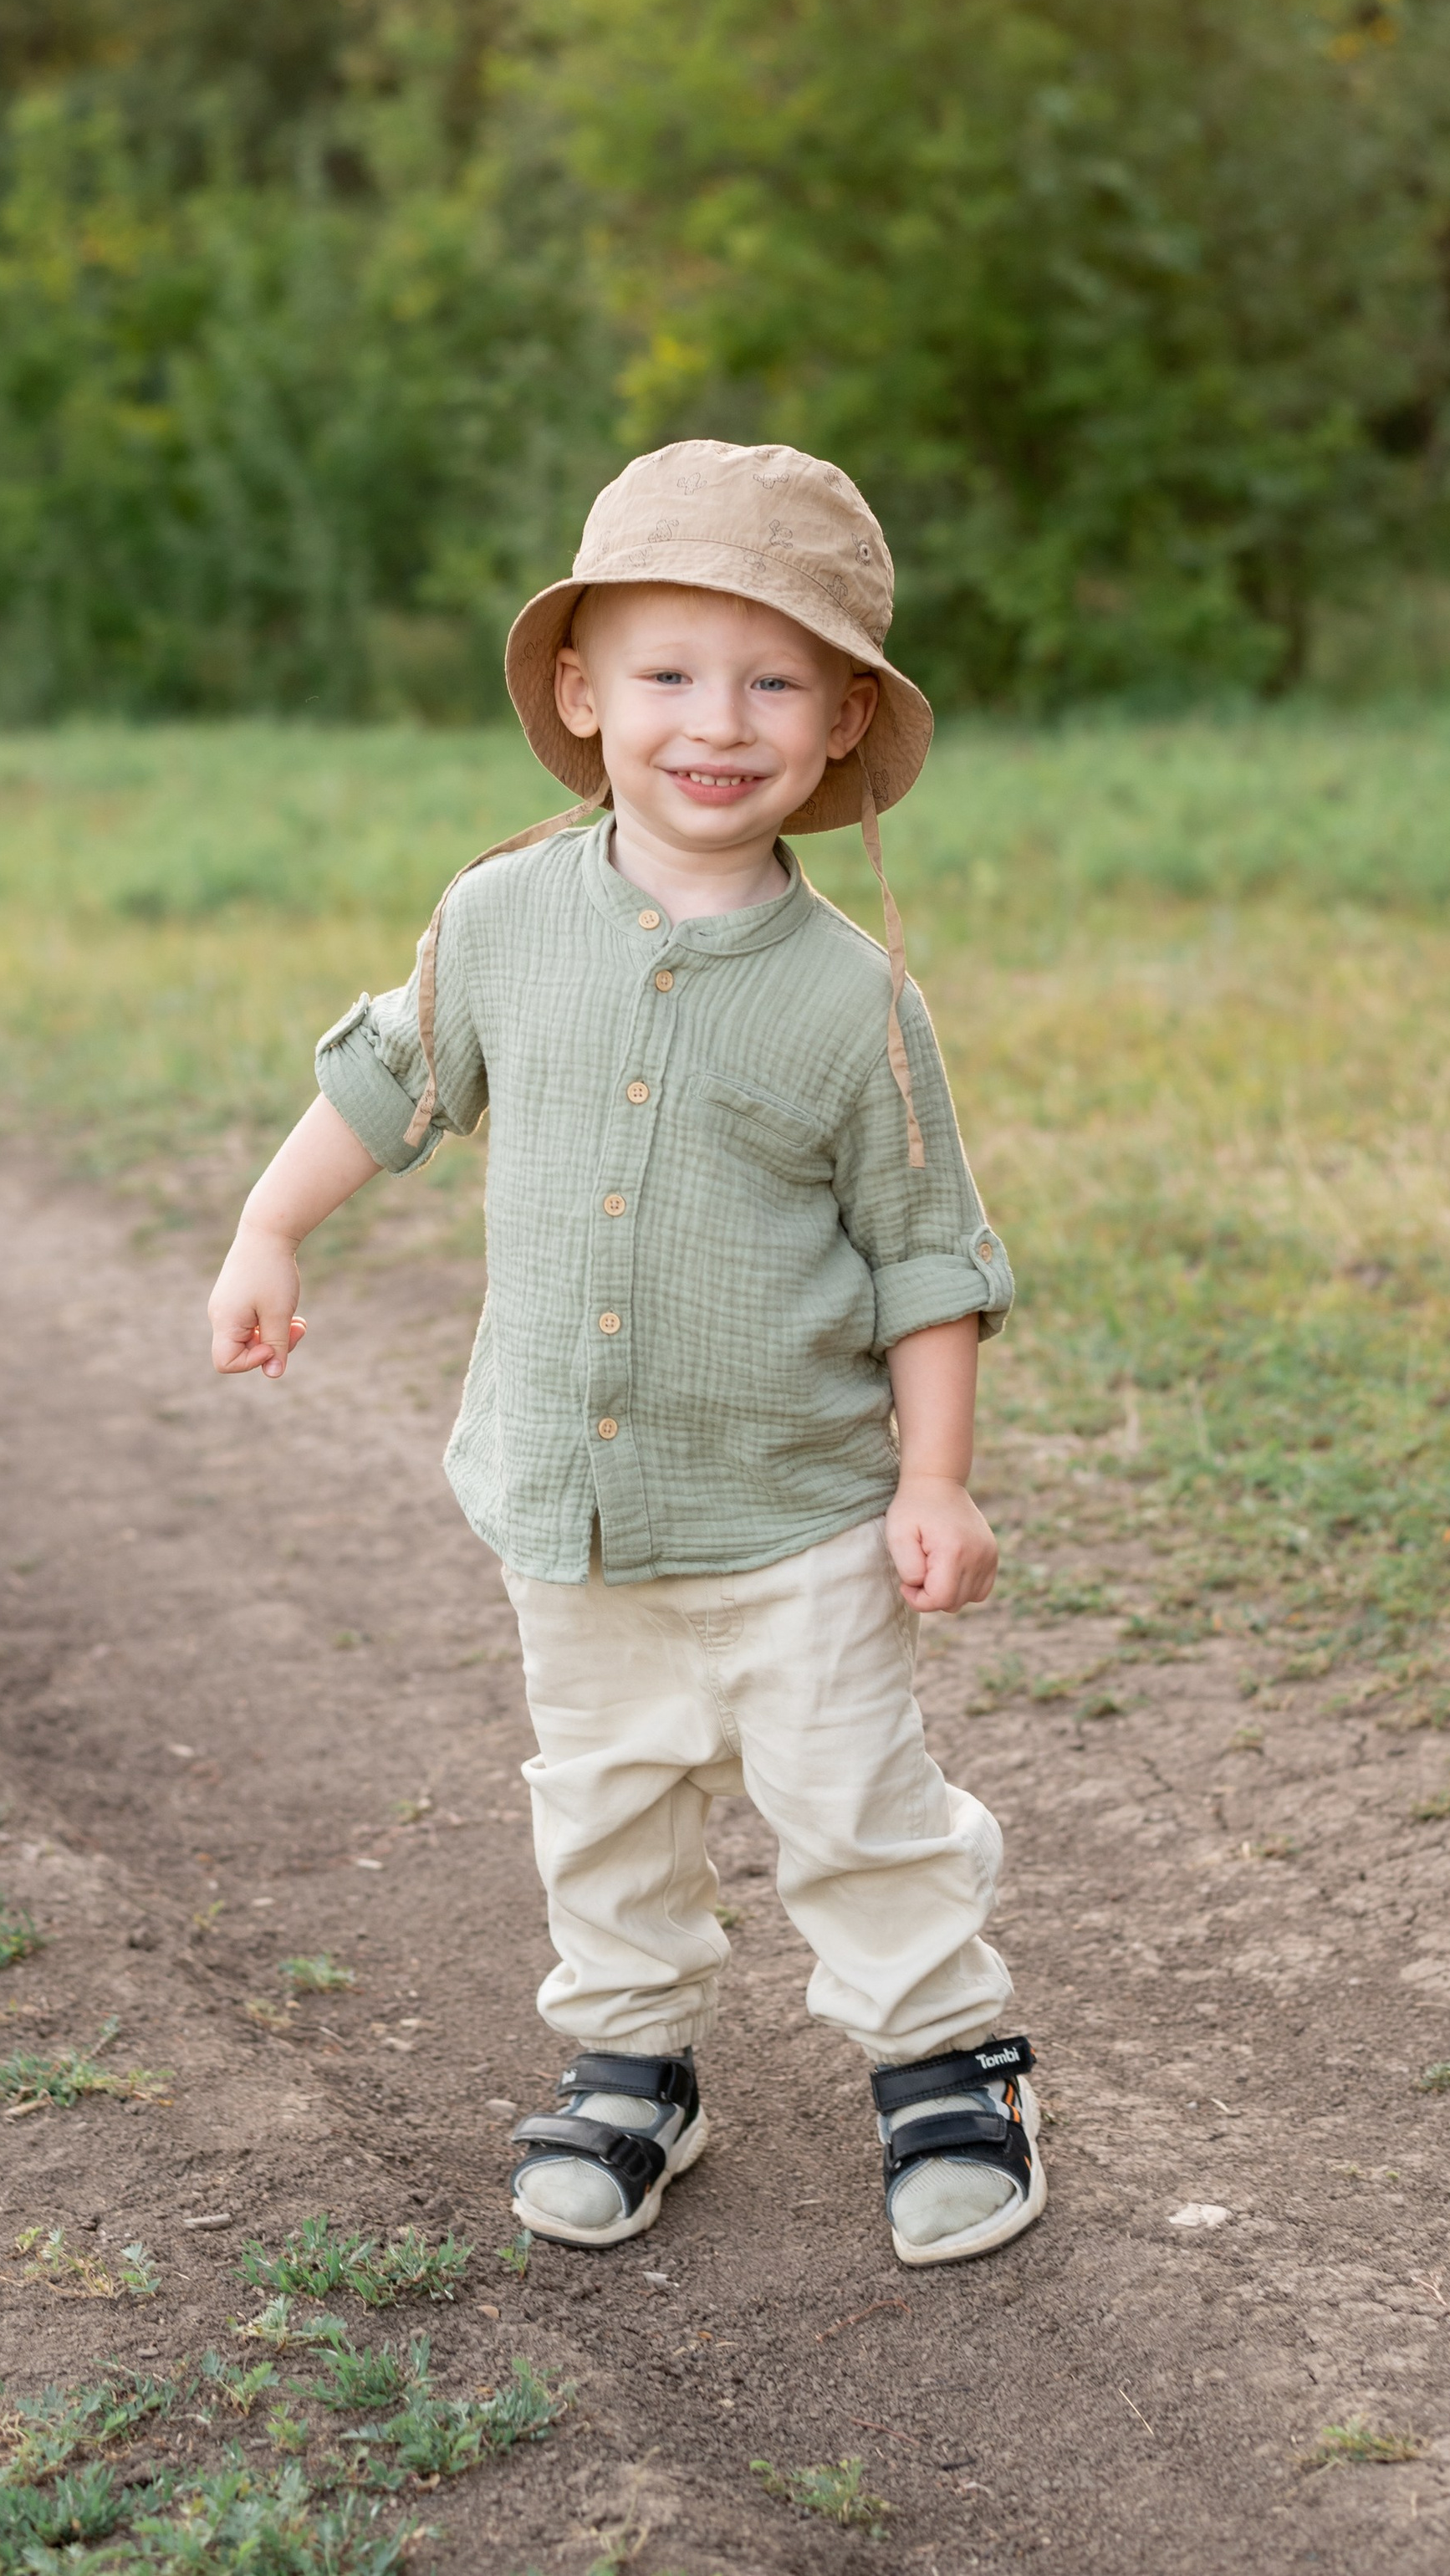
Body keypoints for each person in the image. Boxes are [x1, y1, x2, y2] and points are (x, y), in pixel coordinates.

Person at [207, 440, 1043, 2267]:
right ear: (583, 694)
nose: (714, 723)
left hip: (800, 1513)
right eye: (668, 673)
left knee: (852, 1807)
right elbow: (387, 1080)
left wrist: (934, 1476)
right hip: (572, 1514)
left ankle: (943, 2057)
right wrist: (272, 1228)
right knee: (604, 1800)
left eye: (772, 683)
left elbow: (925, 1255)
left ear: (842, 721)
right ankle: (633, 2058)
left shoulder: (853, 1000)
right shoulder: (499, 921)